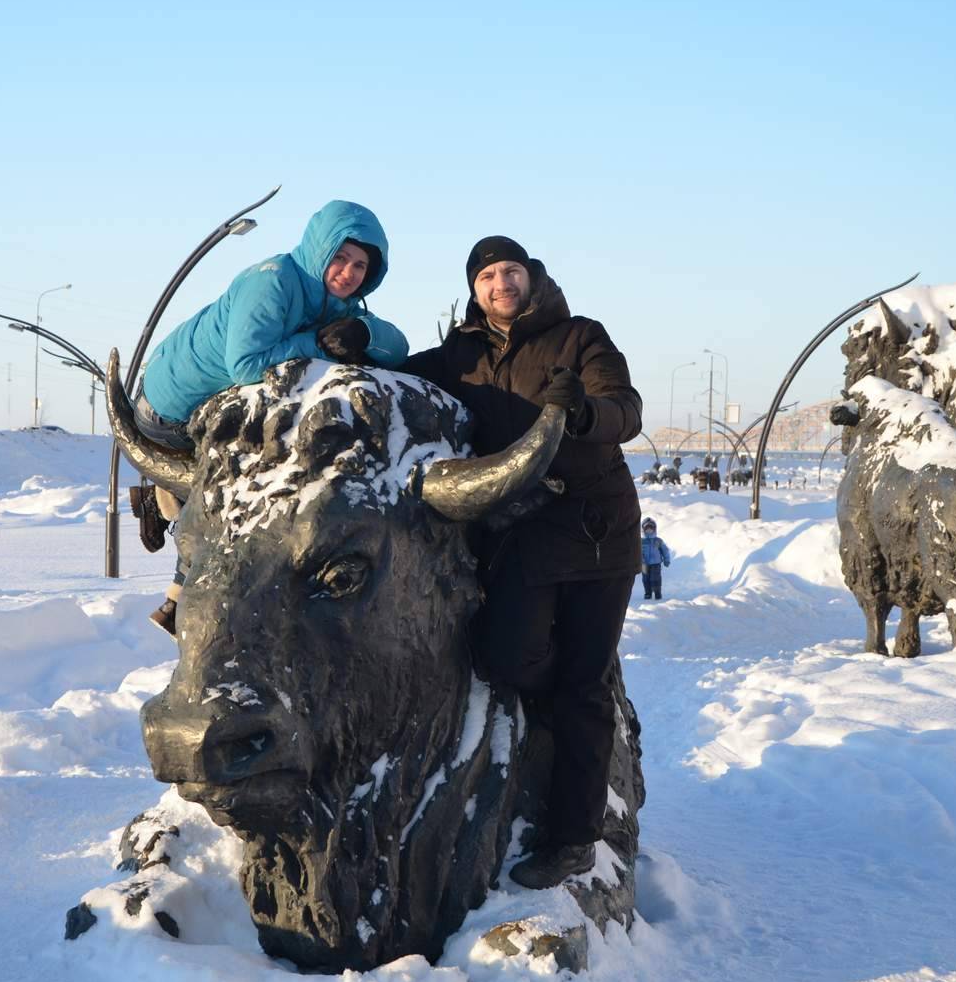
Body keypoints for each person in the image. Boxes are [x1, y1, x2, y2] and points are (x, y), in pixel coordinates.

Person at [401, 235, 643, 889]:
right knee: (505, 658)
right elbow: (398, 372)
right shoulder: (461, 356)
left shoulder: (580, 337)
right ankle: (556, 710)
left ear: (532, 279)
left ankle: (573, 840)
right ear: (475, 289)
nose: (501, 284)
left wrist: (586, 409)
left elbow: (627, 410)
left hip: (597, 538)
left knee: (585, 689)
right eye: (487, 276)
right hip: (522, 540)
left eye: (511, 272)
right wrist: (351, 350)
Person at [133, 200, 411, 635]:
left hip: (220, 405)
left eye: (360, 265)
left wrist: (365, 333)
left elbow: (397, 348)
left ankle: (172, 530)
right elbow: (247, 364)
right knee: (228, 500)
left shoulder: (339, 306)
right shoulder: (274, 280)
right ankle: (176, 581)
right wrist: (320, 345)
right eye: (339, 256)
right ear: (319, 249)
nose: (348, 272)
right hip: (170, 405)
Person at [640, 517, 671, 599]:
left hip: (656, 563)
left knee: (655, 578)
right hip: (644, 564)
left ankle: (657, 592)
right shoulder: (641, 541)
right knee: (646, 579)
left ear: (654, 529)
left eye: (651, 528)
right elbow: (636, 552)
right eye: (647, 528)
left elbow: (665, 550)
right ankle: (648, 593)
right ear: (643, 529)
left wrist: (666, 560)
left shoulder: (658, 541)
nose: (649, 530)